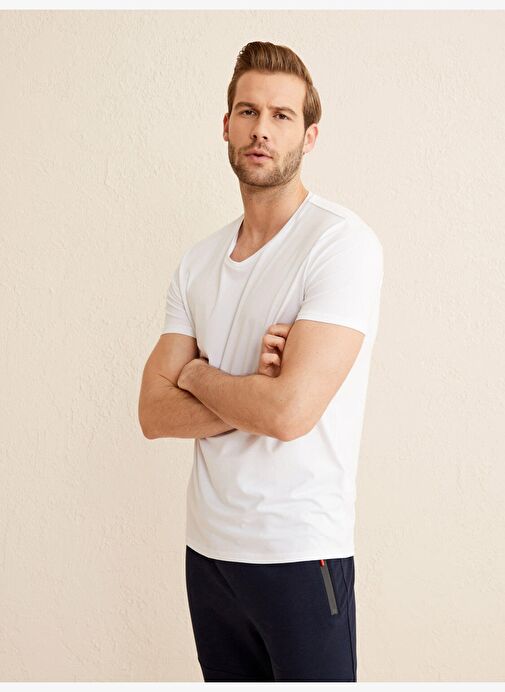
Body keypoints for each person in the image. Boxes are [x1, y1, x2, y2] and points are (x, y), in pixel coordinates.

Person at [138, 40, 384, 683]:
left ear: (309, 136)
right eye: (248, 112)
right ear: (226, 125)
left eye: (281, 115)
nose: (261, 130)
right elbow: (152, 413)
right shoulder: (198, 262)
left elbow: (288, 414)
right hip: (208, 556)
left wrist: (195, 373)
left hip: (298, 552)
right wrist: (247, 388)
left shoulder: (339, 244)